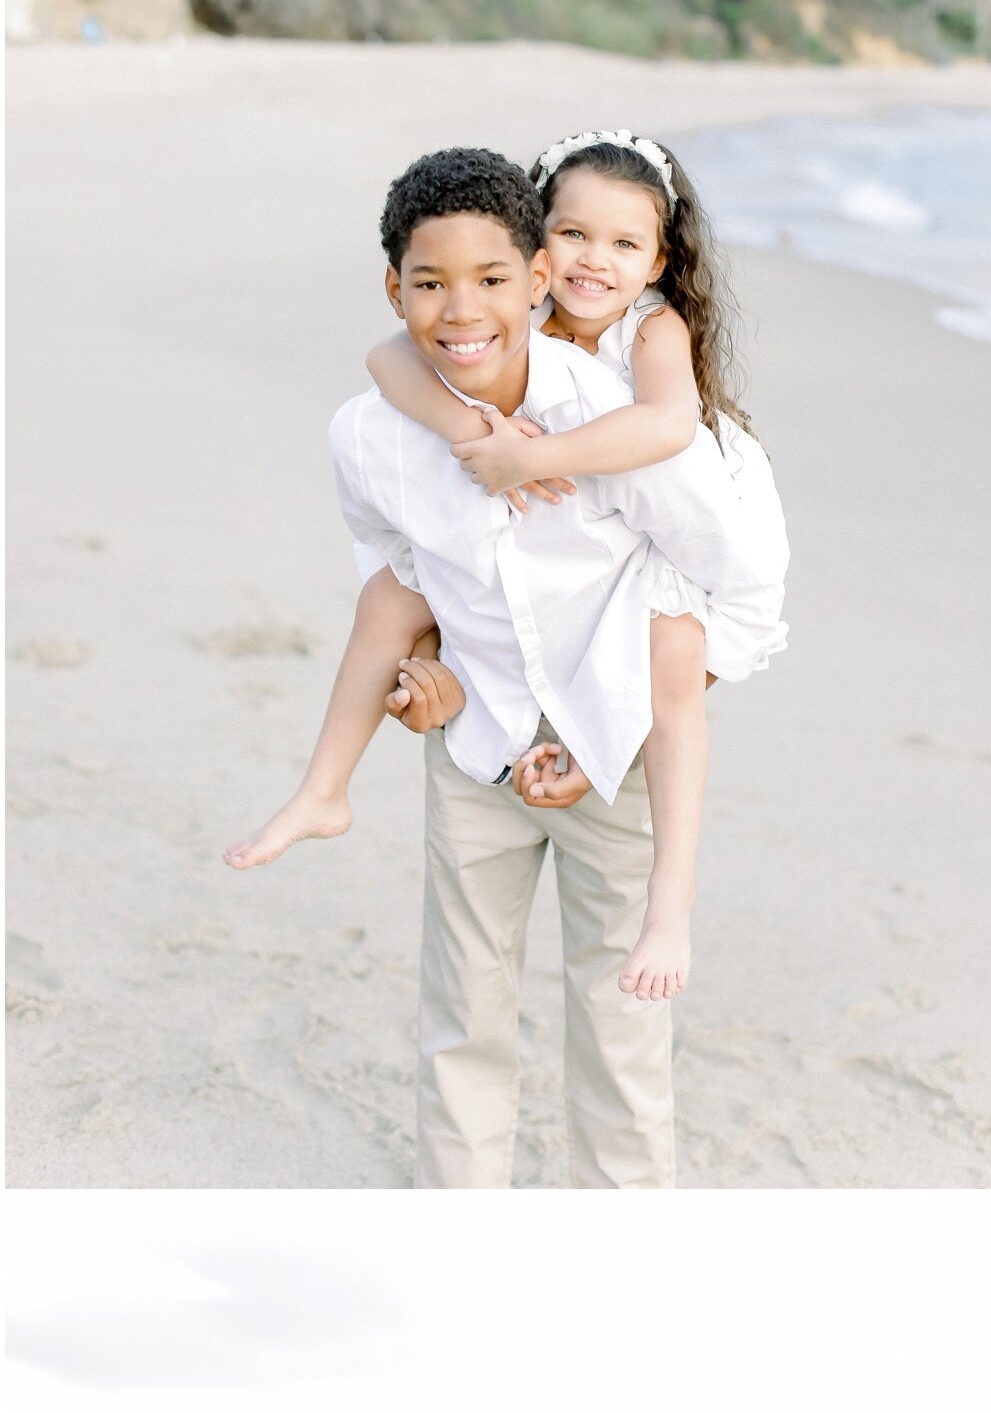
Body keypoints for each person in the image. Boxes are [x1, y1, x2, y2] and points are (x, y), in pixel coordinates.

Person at [225, 140, 787, 1178]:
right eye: (430, 283)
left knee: (620, 1039)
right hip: (475, 750)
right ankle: (459, 1260)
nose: (461, 306)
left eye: (492, 279)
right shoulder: (375, 434)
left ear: (533, 280)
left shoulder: (620, 423)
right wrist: (422, 673)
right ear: (393, 288)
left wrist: (622, 713)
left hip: (614, 754)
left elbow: (733, 588)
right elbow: (407, 576)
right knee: (461, 1021)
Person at [369, 124, 788, 1002]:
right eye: (573, 234)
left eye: (625, 243)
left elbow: (667, 427)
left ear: (660, 258)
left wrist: (530, 458)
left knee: (673, 658)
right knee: (419, 584)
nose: (595, 261)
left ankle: (671, 900)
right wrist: (466, 426)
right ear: (533, 244)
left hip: (668, 532)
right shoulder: (515, 314)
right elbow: (387, 357)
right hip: (563, 562)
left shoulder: (650, 326)